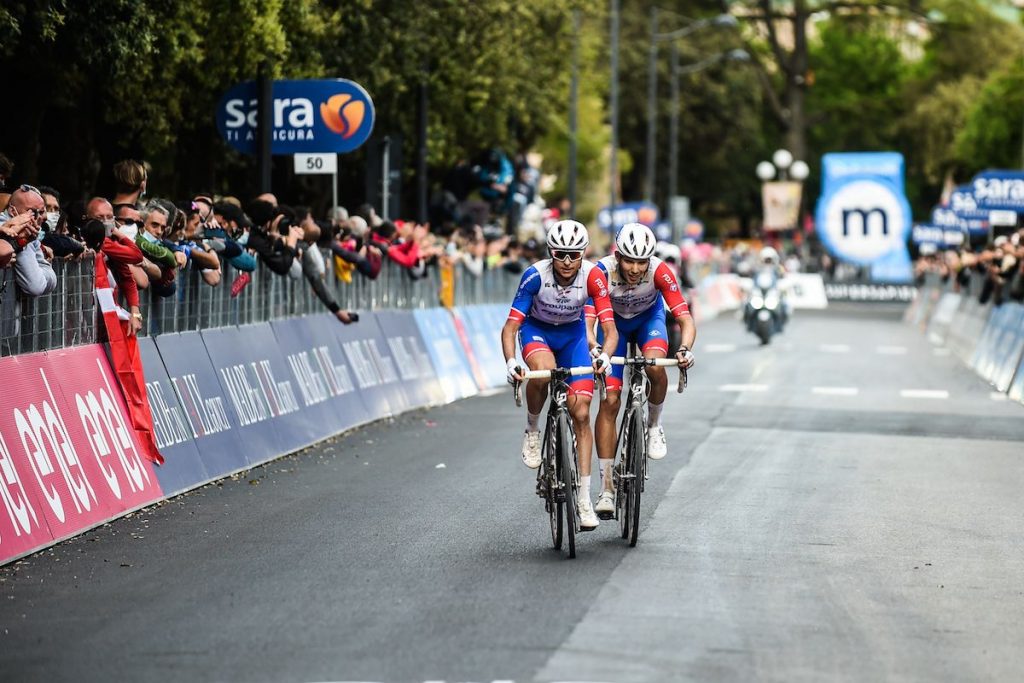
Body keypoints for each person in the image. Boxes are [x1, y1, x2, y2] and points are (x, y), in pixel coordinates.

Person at [500, 219, 618, 530]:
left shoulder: (593, 275)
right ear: (551, 252)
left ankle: (583, 499)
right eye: (561, 254)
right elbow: (511, 327)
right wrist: (512, 361)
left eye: (574, 255)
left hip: (574, 336)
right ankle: (533, 428)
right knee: (542, 372)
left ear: (583, 253)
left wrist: (605, 356)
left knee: (581, 413)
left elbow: (610, 330)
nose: (567, 262)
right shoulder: (535, 276)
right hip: (537, 331)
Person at [587, 223, 696, 519]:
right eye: (629, 260)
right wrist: (594, 345)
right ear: (617, 255)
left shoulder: (660, 271)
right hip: (614, 328)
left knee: (654, 365)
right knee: (609, 400)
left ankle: (654, 425)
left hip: (649, 321)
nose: (635, 269)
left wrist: (684, 349)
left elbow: (684, 318)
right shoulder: (601, 271)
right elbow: (589, 318)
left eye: (641, 262)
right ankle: (607, 487)